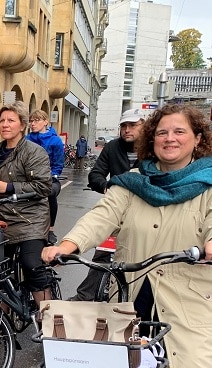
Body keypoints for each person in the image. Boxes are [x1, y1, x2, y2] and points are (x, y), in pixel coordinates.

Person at [42, 104, 212, 367]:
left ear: (198, 138)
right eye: (162, 132)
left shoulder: (208, 183)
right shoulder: (133, 181)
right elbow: (101, 215)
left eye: (179, 131)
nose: (170, 138)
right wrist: (67, 245)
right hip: (131, 294)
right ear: (152, 138)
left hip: (188, 304)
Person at [0, 101, 53, 308]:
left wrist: (8, 187)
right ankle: (0, 322)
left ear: (22, 125)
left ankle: (49, 320)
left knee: (31, 265)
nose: (5, 124)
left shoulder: (34, 152)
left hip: (29, 220)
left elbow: (44, 187)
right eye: (2, 120)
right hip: (0, 220)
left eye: (11, 120)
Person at [70, 108, 145, 301]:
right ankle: (84, 296)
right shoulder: (112, 147)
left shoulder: (154, 149)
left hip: (146, 212)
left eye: (132, 125)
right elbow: (95, 175)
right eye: (123, 126)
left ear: (144, 126)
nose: (127, 130)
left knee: (142, 258)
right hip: (115, 210)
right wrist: (108, 188)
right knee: (102, 254)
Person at [26, 110, 64, 245]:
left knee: (50, 194)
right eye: (31, 121)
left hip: (49, 177)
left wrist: (52, 176)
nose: (33, 123)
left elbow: (58, 163)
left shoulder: (55, 141)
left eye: (36, 120)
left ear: (45, 122)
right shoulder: (27, 139)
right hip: (30, 177)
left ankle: (51, 229)